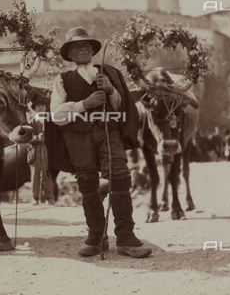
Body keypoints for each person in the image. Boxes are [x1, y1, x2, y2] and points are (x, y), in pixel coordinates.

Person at [48, 27, 151, 258]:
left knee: (120, 176)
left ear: (93, 50)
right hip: (78, 137)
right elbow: (56, 115)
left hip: (109, 131)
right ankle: (96, 236)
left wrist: (111, 90)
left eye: (86, 45)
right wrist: (85, 104)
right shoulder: (62, 79)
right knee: (87, 183)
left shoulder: (111, 73)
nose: (83, 49)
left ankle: (125, 237)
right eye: (77, 46)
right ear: (70, 54)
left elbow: (123, 106)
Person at [28, 100, 56, 205]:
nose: (41, 108)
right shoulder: (31, 122)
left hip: (47, 153)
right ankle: (34, 198)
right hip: (35, 153)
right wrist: (36, 138)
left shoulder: (49, 123)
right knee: (35, 175)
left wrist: (47, 139)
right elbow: (26, 138)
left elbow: (54, 137)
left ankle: (50, 198)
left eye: (43, 106)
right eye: (38, 106)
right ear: (35, 109)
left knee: (47, 175)